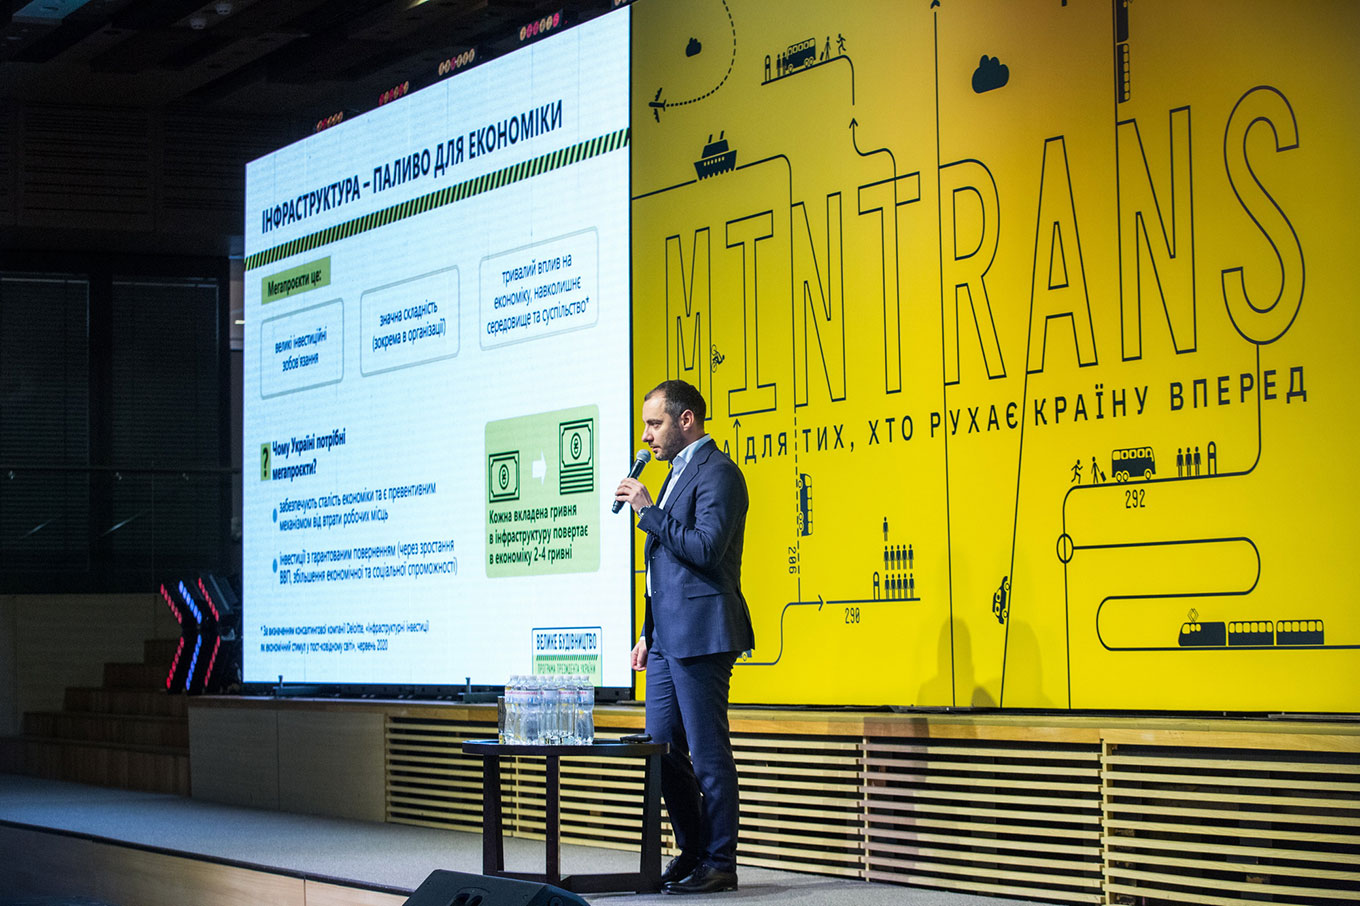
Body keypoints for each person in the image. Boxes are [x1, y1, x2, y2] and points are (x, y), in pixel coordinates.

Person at [615, 379, 754, 895]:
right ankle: (692, 851)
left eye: (655, 424)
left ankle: (720, 862)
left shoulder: (719, 473)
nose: (646, 436)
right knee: (662, 749)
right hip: (666, 640)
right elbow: (662, 569)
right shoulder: (675, 472)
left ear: (686, 420)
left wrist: (648, 513)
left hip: (703, 633)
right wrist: (647, 633)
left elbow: (706, 549)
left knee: (708, 753)